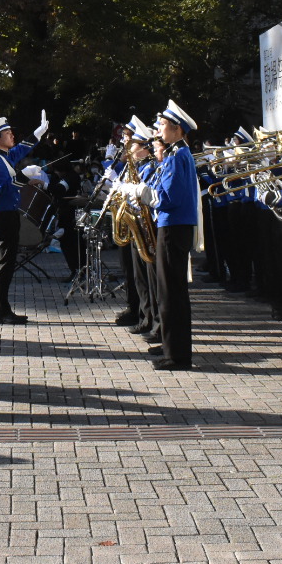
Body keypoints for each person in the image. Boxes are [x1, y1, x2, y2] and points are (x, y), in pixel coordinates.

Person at [116, 100, 200, 371]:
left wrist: (140, 193)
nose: (159, 130)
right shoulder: (177, 155)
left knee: (171, 292)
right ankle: (171, 346)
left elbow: (168, 198)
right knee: (168, 292)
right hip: (171, 226)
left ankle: (177, 355)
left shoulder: (178, 157)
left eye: (163, 125)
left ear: (176, 128)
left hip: (173, 227)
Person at [0, 112, 48, 324]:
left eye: (11, 133)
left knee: (7, 265)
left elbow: (21, 150)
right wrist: (24, 177)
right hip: (4, 216)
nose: (12, 136)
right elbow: (3, 187)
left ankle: (3, 309)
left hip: (9, 214)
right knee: (4, 265)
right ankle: (1, 312)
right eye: (7, 134)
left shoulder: (3, 156)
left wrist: (38, 133)